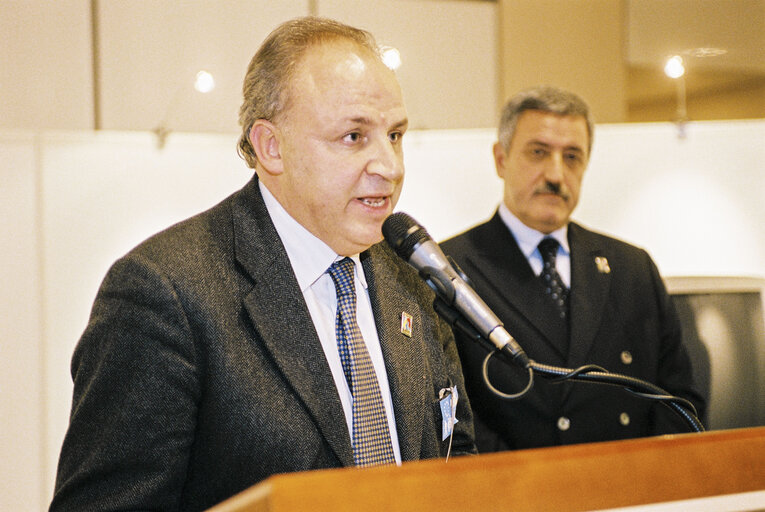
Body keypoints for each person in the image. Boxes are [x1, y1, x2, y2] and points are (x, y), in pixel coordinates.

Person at [50, 17, 476, 511]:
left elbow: (455, 458)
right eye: (355, 136)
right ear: (271, 146)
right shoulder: (164, 293)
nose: (391, 166)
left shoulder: (412, 274)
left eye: (396, 135)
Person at [440, 85, 705, 452]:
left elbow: (679, 400)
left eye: (572, 157)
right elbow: (451, 419)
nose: (556, 174)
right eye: (538, 152)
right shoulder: (447, 271)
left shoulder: (632, 268)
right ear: (501, 159)